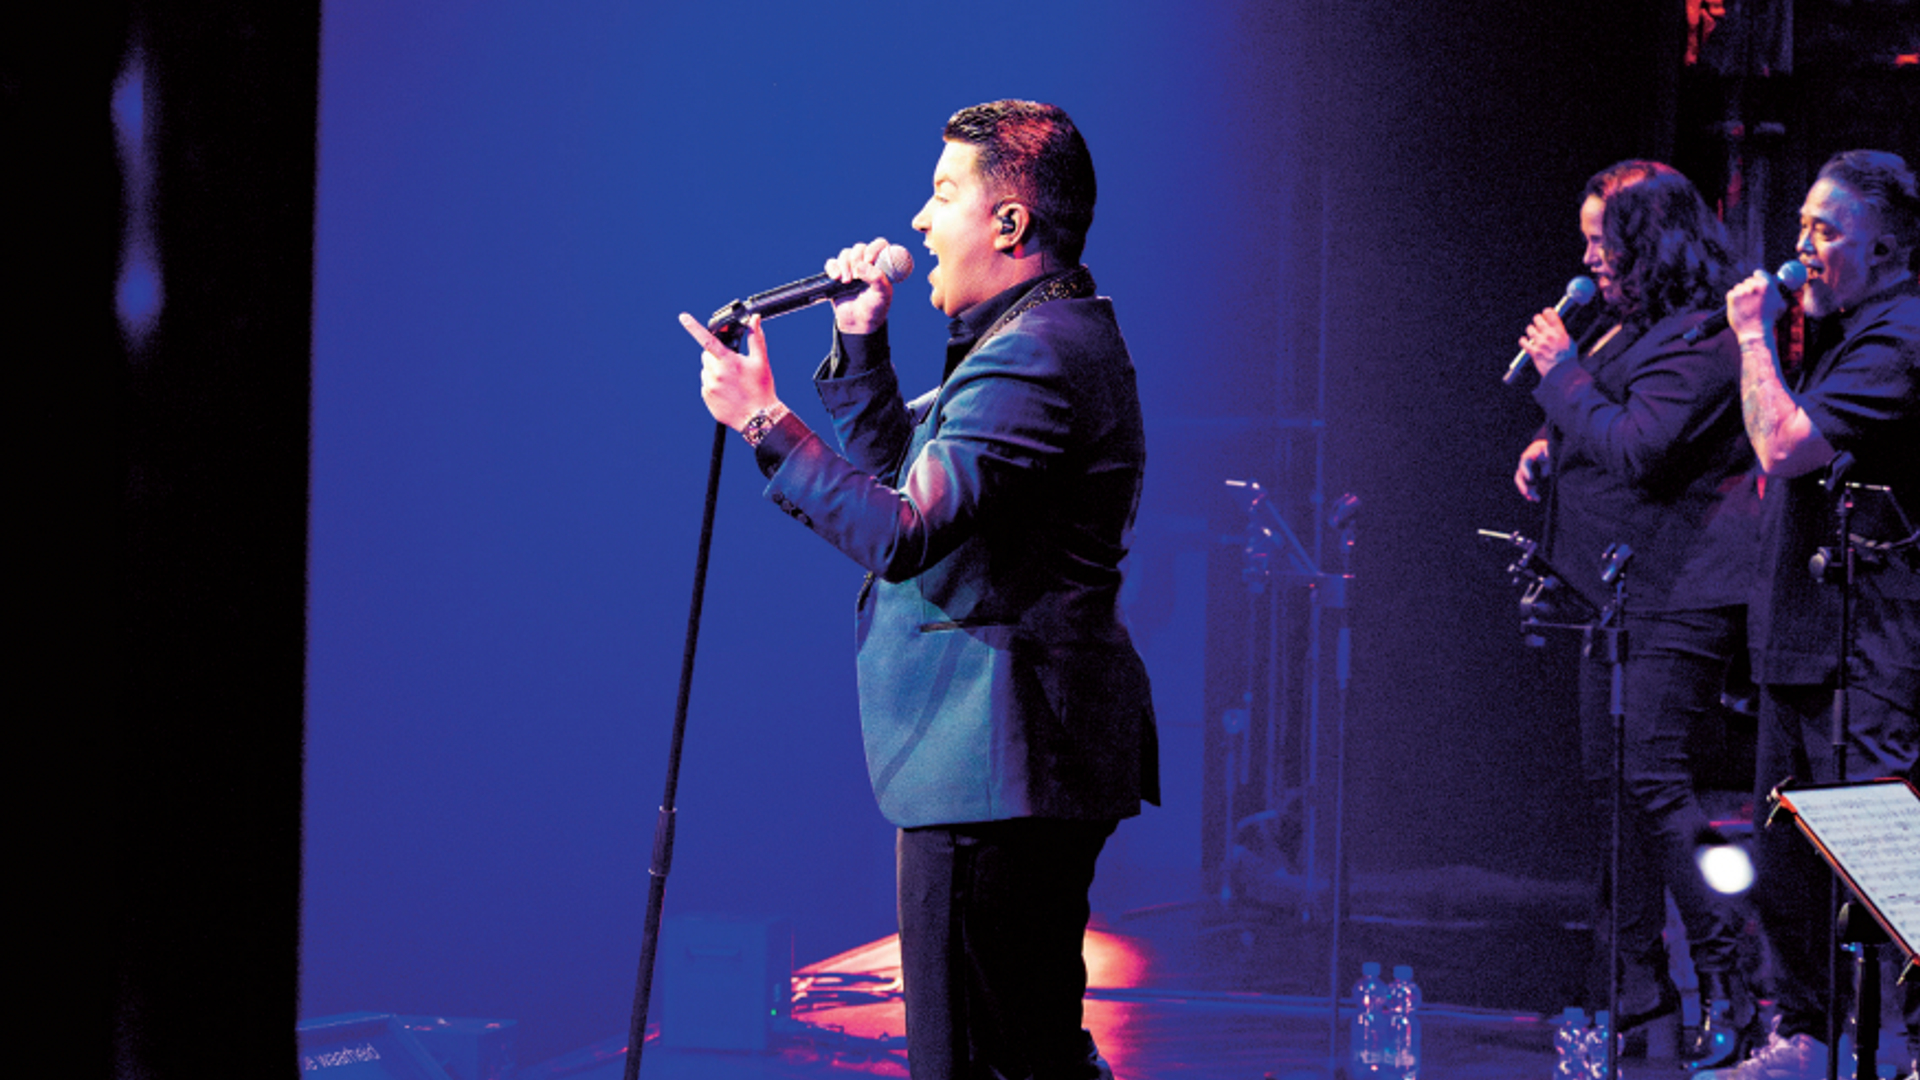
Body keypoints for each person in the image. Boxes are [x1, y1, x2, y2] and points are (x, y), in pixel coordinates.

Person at [678, 100, 1157, 1080]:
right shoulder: (1039, 339)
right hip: (1009, 762)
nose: (920, 221)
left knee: (979, 1061)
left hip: (996, 765)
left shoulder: (1036, 353)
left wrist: (764, 420)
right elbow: (918, 494)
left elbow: (899, 534)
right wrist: (861, 345)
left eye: (944, 194)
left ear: (1011, 223)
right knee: (1024, 1053)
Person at [1512, 160, 1760, 1063]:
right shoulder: (1630, 328)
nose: (1588, 260)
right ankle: (1637, 991)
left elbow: (1641, 445)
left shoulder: (1705, 336)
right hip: (1610, 595)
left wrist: (1559, 375)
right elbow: (1605, 417)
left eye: (1601, 242)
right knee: (1611, 792)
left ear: (1649, 244)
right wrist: (1550, 442)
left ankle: (1731, 981)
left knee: (1653, 780)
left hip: (1681, 592)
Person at [1700, 149, 1920, 1080]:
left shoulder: (1901, 337)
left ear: (1886, 248)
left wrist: (1753, 336)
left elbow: (1786, 444)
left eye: (1825, 231)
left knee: (1884, 853)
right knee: (1786, 853)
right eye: (1800, 226)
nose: (1802, 247)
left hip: (1867, 641)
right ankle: (1809, 1032)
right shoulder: (1843, 335)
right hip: (1804, 633)